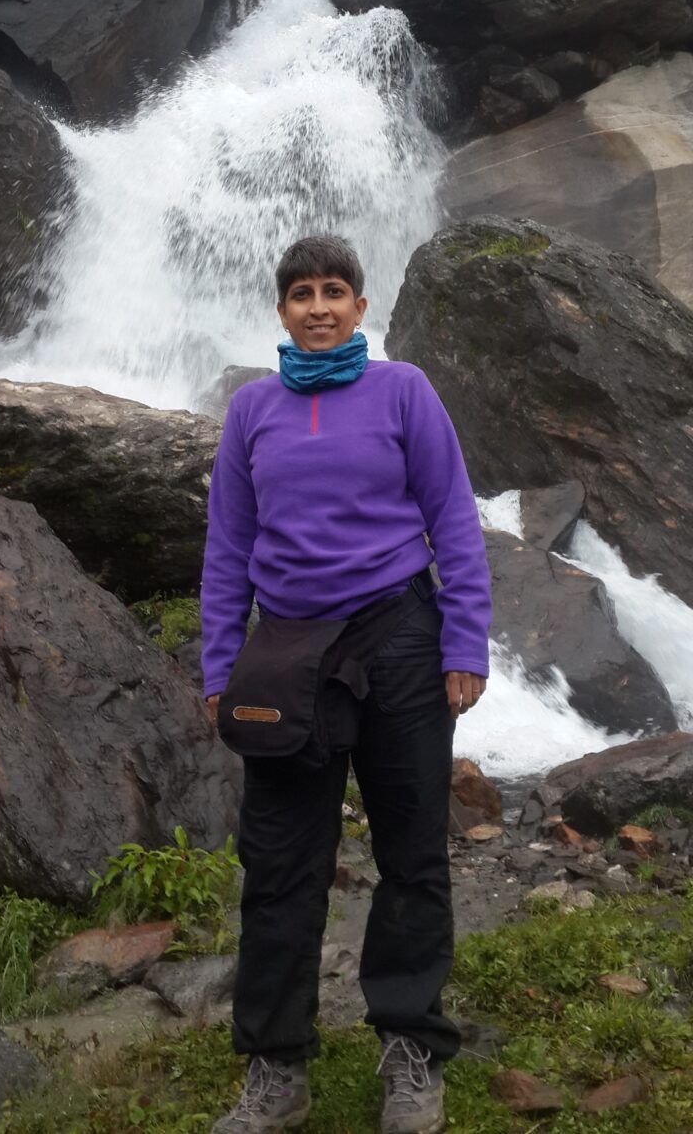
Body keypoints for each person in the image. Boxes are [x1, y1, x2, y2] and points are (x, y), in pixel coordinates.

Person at [201, 235, 491, 1134]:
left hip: (400, 634)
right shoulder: (251, 409)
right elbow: (227, 548)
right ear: (280, 311)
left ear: (361, 307)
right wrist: (218, 664)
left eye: (334, 291)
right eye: (300, 293)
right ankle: (276, 1069)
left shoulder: (404, 391)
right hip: (287, 651)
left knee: (412, 849)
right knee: (281, 862)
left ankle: (410, 1047)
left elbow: (453, 516)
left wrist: (465, 641)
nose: (318, 305)